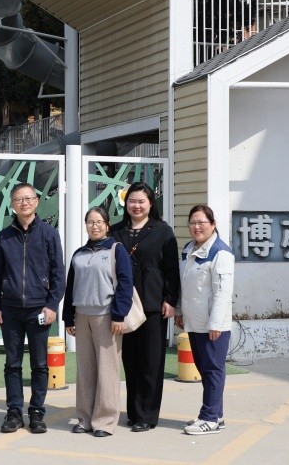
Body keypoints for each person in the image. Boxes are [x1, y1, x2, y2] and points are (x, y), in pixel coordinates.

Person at [0, 182, 66, 434]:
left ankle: (36, 412)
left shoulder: (49, 234)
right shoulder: (4, 237)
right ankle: (14, 412)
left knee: (40, 364)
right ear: (12, 204)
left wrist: (52, 305)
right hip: (10, 309)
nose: (23, 203)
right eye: (18, 199)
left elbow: (58, 274)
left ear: (36, 201)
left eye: (28, 198)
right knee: (12, 363)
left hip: (39, 310)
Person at [109, 182, 180, 432]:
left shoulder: (162, 231)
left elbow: (171, 269)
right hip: (124, 305)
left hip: (152, 305)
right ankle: (134, 412)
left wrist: (170, 300)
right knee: (130, 361)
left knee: (151, 362)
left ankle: (147, 415)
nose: (136, 206)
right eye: (132, 201)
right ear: (126, 204)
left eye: (141, 201)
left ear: (150, 203)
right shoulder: (115, 231)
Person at [64, 207, 134, 438]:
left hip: (106, 316)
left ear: (107, 225)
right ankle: (84, 418)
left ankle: (105, 421)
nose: (94, 226)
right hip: (81, 315)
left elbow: (125, 283)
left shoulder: (116, 250)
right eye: (90, 222)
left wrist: (119, 315)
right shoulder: (79, 254)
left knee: (107, 370)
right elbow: (71, 287)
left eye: (99, 222)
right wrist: (68, 318)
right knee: (85, 369)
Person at [175, 204, 235, 435]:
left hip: (213, 326)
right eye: (193, 222)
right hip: (194, 322)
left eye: (202, 222)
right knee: (204, 368)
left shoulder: (221, 253)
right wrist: (179, 311)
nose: (197, 227)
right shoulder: (189, 249)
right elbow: (184, 284)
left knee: (213, 370)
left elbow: (223, 292)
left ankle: (209, 418)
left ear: (213, 224)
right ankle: (216, 415)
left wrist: (216, 323)